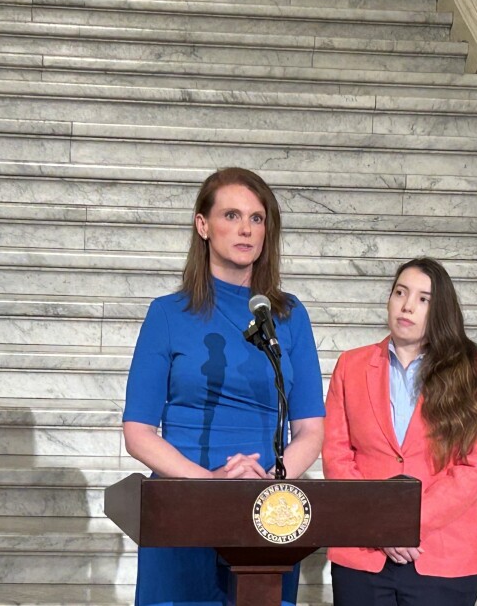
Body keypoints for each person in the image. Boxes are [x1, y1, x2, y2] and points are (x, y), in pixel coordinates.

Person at [121, 167, 326, 606]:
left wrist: (275, 481)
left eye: (257, 218)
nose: (246, 229)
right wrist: (208, 483)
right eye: (231, 215)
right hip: (183, 505)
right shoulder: (167, 314)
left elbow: (311, 429)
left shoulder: (289, 316)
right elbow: (138, 433)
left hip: (268, 513)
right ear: (203, 225)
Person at [322, 257, 477, 606]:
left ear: (441, 310)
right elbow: (337, 455)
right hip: (363, 554)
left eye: (424, 299)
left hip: (442, 556)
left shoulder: (475, 371)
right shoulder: (351, 364)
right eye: (400, 293)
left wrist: (405, 525)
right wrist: (380, 525)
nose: (407, 306)